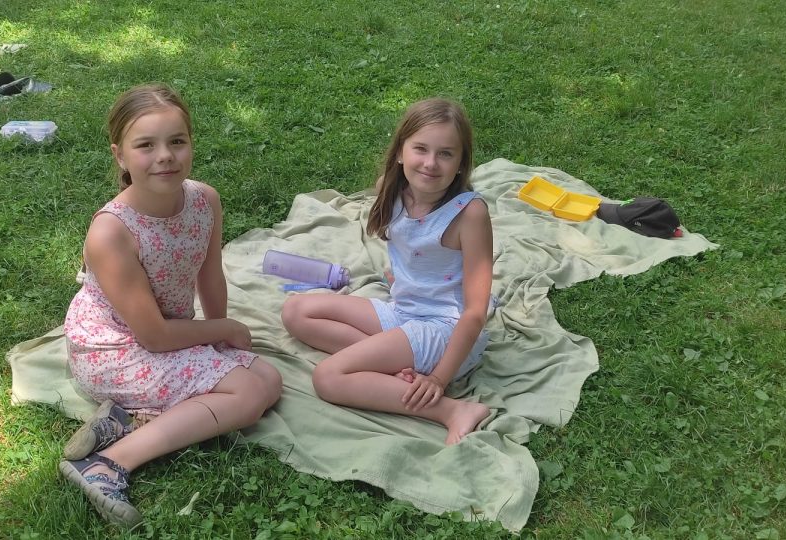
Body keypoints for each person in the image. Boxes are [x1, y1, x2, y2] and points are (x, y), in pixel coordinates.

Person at [59, 84, 282, 527]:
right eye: (146, 145)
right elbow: (154, 336)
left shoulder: (204, 200)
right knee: (250, 392)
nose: (165, 156)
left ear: (191, 144)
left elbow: (210, 275)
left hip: (165, 335)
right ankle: (107, 464)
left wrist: (219, 338)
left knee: (267, 379)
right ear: (120, 156)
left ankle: (124, 420)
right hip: (113, 351)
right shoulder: (111, 232)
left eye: (177, 141)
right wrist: (223, 330)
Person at [281, 98, 493, 446]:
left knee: (328, 377)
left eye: (445, 153)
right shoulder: (390, 190)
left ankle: (452, 410)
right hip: (404, 311)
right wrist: (399, 279)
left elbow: (474, 313)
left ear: (461, 163)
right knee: (295, 310)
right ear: (400, 152)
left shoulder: (469, 214)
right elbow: (412, 251)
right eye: (420, 149)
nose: (430, 163)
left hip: (447, 330)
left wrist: (438, 379)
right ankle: (391, 367)